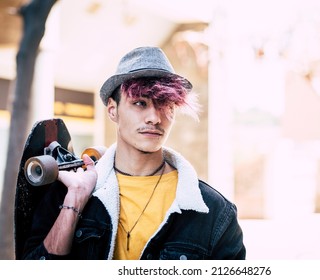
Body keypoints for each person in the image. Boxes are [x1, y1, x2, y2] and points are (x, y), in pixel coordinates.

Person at [22, 46, 246, 260]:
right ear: (113, 110)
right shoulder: (69, 191)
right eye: (140, 103)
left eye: (165, 105)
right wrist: (75, 201)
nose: (155, 118)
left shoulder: (214, 212)